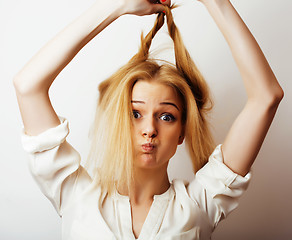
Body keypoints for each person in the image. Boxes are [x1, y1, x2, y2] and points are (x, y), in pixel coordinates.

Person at [13, 0, 283, 239]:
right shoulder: (74, 193)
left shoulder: (201, 203)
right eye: (135, 114)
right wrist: (115, 6)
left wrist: (216, 2)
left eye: (166, 116)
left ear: (182, 132)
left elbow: (267, 97)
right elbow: (27, 86)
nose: (150, 130)